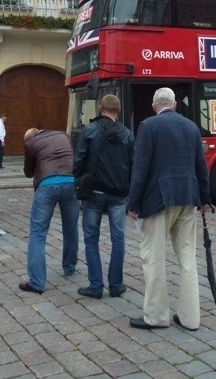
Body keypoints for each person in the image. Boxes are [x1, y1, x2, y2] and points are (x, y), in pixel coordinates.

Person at [127, 87, 212, 331]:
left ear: (155, 106)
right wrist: (205, 198)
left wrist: (133, 201)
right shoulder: (191, 127)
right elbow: (200, 166)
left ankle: (156, 316)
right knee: (187, 259)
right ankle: (190, 318)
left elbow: (140, 168)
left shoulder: (148, 126)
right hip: (188, 197)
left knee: (153, 259)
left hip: (157, 200)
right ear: (175, 104)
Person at [73, 94, 135, 299]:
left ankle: (96, 286)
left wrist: (78, 185)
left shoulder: (89, 130)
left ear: (100, 108)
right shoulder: (127, 134)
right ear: (118, 110)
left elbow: (79, 160)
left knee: (91, 239)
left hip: (94, 192)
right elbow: (134, 165)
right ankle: (116, 285)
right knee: (118, 239)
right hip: (118, 195)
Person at [19, 127, 79, 294]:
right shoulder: (63, 135)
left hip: (46, 185)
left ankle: (37, 282)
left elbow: (28, 172)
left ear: (30, 138)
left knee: (38, 233)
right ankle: (69, 267)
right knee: (71, 228)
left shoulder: (31, 144)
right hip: (70, 182)